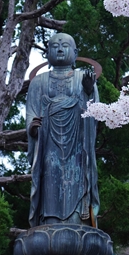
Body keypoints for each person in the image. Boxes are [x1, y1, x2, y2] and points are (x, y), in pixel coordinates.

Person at [26, 33, 100, 228]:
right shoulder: (38, 82)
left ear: (75, 53)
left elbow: (94, 113)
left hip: (77, 144)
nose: (59, 48)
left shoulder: (83, 78)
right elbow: (31, 112)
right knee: (51, 175)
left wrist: (89, 92)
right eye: (54, 45)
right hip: (48, 143)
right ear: (47, 53)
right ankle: (49, 220)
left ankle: (77, 219)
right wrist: (33, 128)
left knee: (76, 179)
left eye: (65, 45)